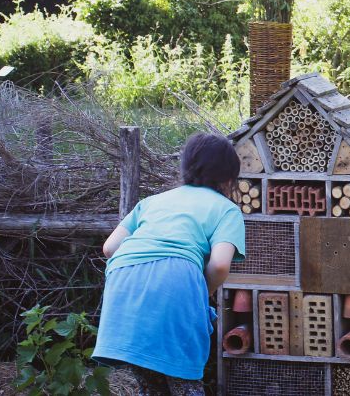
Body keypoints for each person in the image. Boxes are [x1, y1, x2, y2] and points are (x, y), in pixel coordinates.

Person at [94, 133, 247, 395]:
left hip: (123, 280)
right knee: (185, 384)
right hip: (177, 279)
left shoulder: (152, 202)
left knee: (147, 382)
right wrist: (201, 292)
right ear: (228, 177)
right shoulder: (226, 209)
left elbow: (109, 248)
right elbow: (220, 265)